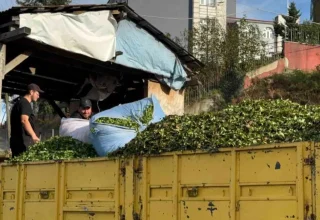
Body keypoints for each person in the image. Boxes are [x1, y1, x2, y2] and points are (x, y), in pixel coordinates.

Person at [10, 83, 43, 157]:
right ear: (31, 92)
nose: (38, 96)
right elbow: (24, 120)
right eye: (37, 93)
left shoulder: (20, 103)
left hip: (18, 143)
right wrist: (33, 135)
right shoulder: (25, 103)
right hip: (22, 144)